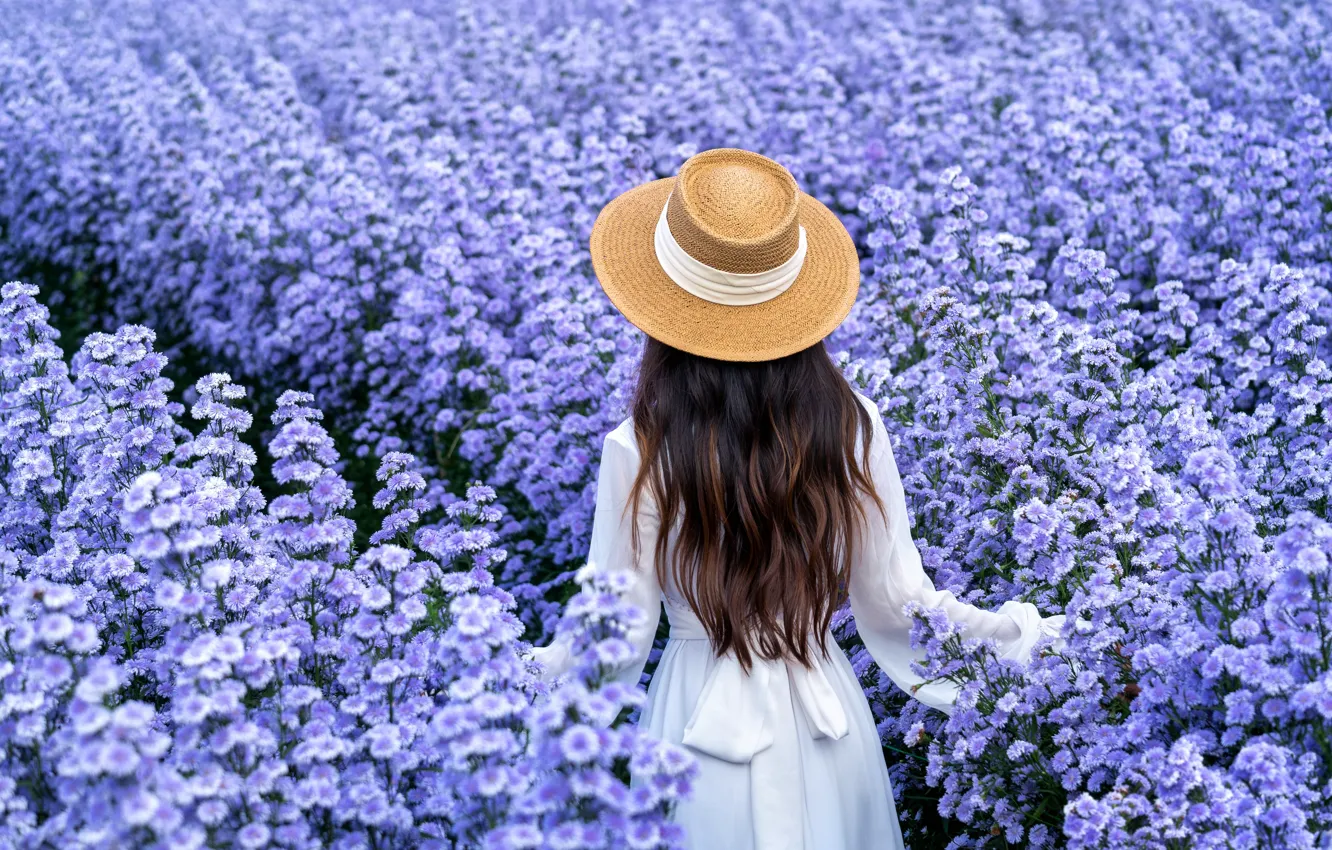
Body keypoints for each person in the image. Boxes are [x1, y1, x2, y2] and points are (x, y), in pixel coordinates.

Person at [527, 148, 1065, 850]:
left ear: (665, 307)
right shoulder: (850, 426)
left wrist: (499, 683)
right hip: (826, 724)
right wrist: (1033, 643)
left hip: (694, 732)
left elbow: (613, 635)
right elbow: (903, 606)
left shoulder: (638, 446)